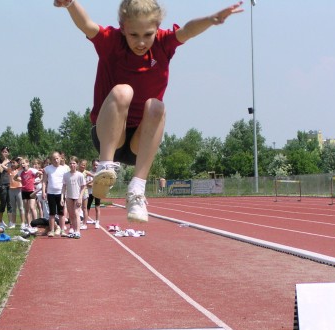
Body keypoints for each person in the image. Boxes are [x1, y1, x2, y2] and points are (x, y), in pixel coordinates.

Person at [53, 0, 243, 222]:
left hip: (139, 145)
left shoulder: (163, 44)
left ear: (157, 27)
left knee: (156, 106)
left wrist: (211, 20)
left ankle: (137, 190)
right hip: (109, 136)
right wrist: (71, 4)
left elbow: (188, 30)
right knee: (122, 92)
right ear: (122, 27)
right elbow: (86, 25)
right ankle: (105, 169)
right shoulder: (111, 42)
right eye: (134, 35)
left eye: (147, 34)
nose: (141, 42)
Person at [42, 151, 69, 237]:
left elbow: (66, 182)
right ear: (51, 160)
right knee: (52, 213)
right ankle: (52, 230)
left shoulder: (64, 169)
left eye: (57, 158)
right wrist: (43, 192)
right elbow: (44, 182)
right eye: (54, 159)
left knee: (61, 213)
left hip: (61, 194)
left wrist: (66, 192)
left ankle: (62, 230)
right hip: (51, 193)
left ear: (60, 158)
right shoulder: (47, 169)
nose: (56, 160)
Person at [62, 157, 87, 239]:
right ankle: (73, 228)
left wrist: (80, 197)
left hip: (77, 196)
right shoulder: (66, 175)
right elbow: (64, 187)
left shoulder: (80, 175)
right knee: (71, 214)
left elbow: (83, 187)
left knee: (76, 213)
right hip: (69, 196)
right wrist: (62, 197)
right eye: (70, 163)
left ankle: (78, 231)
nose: (72, 165)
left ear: (77, 164)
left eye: (74, 163)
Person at [0, 146, 11, 227]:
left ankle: (11, 222)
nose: (5, 153)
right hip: (2, 185)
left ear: (8, 153)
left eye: (6, 152)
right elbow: (0, 170)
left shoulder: (11, 162)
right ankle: (0, 221)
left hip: (10, 184)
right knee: (3, 203)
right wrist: (4, 162)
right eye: (3, 151)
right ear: (1, 152)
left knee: (10, 204)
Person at [7, 156, 25, 229]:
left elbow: (22, 162)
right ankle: (13, 223)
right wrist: (8, 161)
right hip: (11, 190)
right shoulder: (9, 170)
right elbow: (2, 166)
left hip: (18, 189)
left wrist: (19, 158)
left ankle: (23, 223)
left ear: (17, 163)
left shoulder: (19, 169)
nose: (12, 164)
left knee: (21, 207)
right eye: (11, 163)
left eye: (14, 163)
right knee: (13, 207)